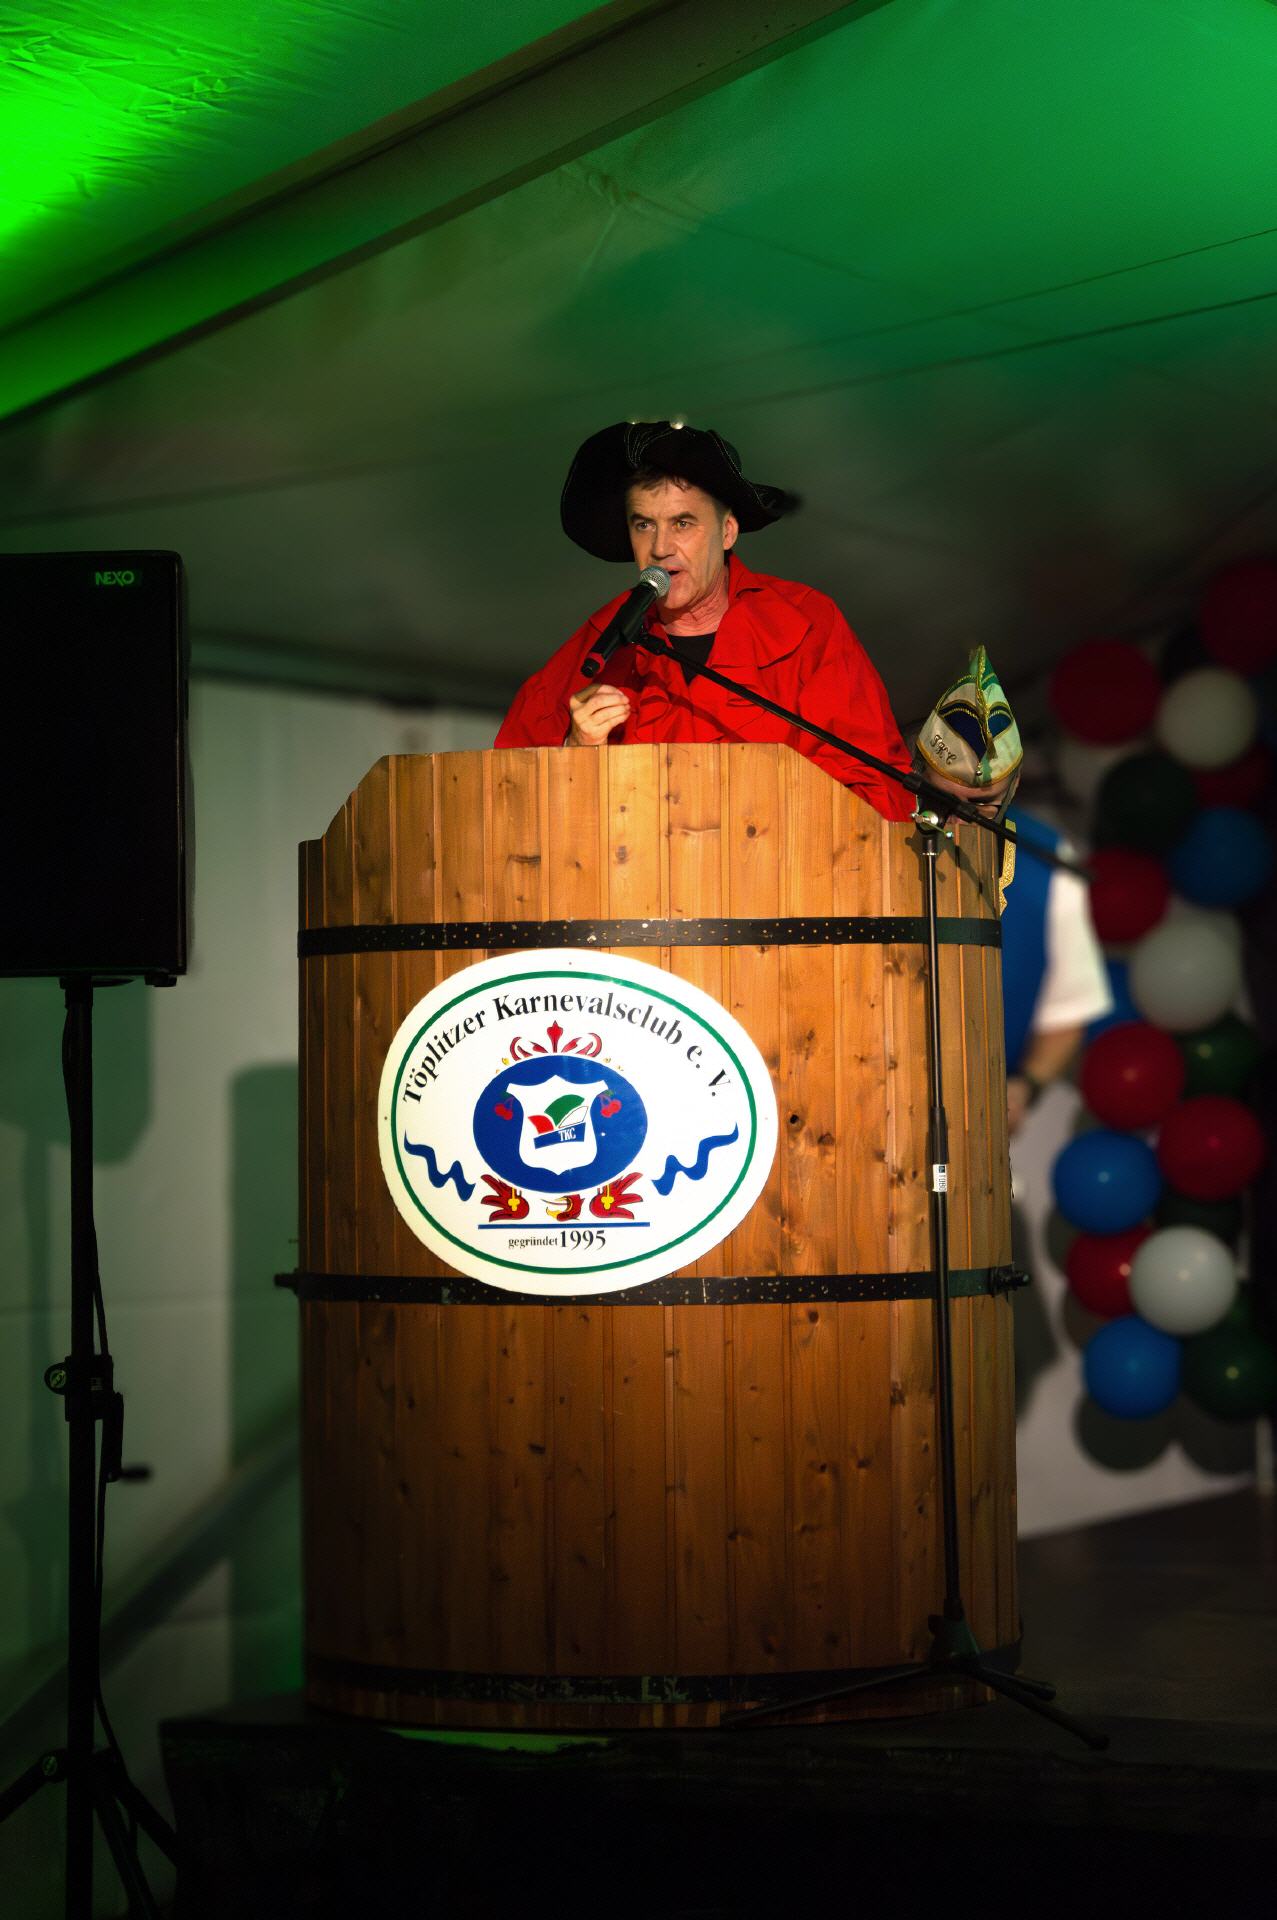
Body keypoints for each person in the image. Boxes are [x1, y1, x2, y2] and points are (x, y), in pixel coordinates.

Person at [495, 419, 916, 820]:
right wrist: (575, 753)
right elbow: (506, 804)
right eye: (644, 525)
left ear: (728, 532)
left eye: (682, 523)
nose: (660, 547)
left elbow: (877, 795)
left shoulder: (806, 624)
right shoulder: (597, 647)